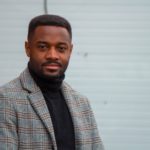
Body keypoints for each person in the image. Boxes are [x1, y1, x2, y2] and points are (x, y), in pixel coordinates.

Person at [0, 14, 104, 150]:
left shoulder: (81, 103)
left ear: (70, 51)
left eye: (61, 48)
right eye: (43, 47)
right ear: (28, 48)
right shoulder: (6, 99)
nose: (52, 55)